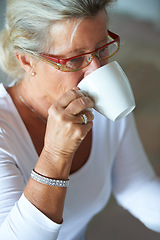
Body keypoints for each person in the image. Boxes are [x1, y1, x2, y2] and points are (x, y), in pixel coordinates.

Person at [0, 0, 159, 239]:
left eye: (102, 49)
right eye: (74, 60)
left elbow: (134, 187)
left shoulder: (103, 100)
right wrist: (55, 156)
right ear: (26, 60)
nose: (96, 71)